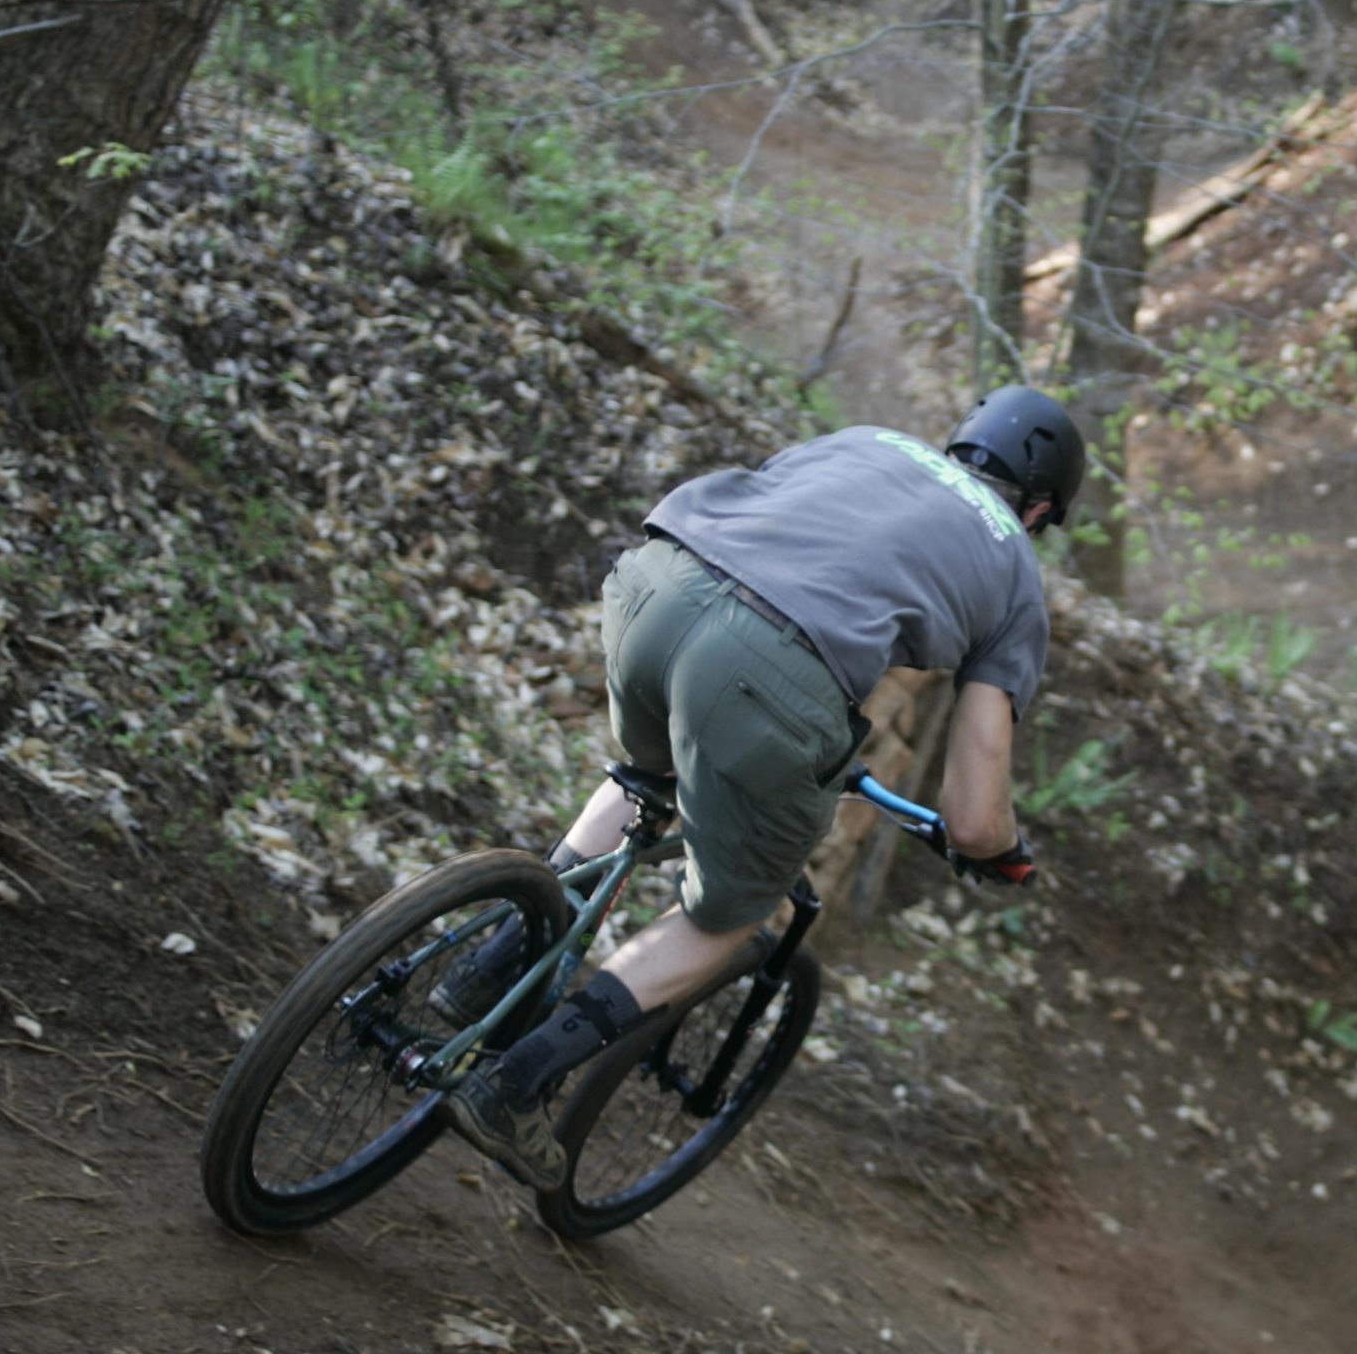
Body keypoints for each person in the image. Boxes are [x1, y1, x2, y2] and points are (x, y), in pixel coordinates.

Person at [443, 385, 1086, 1188]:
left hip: (654, 583)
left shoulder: (869, 436)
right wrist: (1001, 852)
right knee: (733, 911)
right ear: (1038, 510)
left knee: (652, 776)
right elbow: (972, 808)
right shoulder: (1016, 570)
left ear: (961, 444)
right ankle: (515, 1084)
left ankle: (490, 962)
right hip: (764, 674)